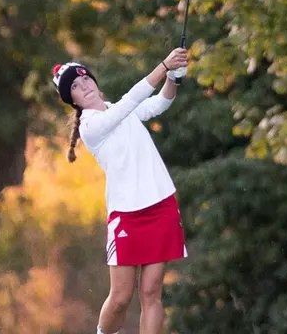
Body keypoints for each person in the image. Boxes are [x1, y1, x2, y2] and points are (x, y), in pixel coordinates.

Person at [51, 48, 189, 334]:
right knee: (120, 299)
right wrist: (164, 65)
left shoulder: (117, 108)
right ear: (72, 100)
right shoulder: (92, 126)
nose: (84, 86)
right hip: (127, 216)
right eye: (75, 87)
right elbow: (132, 101)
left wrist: (174, 77)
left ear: (94, 82)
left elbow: (160, 103)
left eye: (85, 79)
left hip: (161, 205)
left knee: (151, 293)